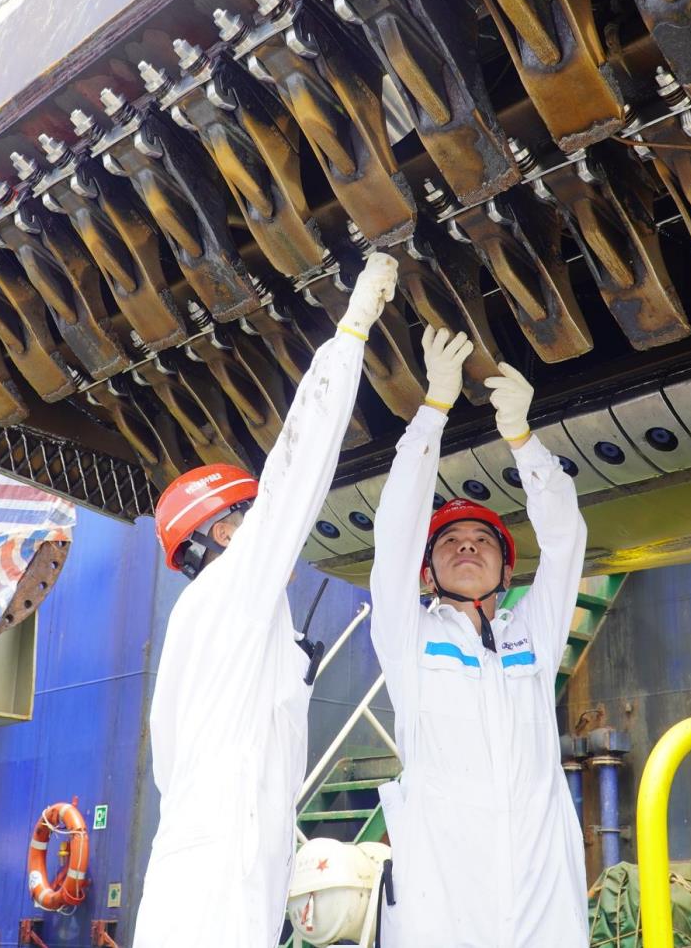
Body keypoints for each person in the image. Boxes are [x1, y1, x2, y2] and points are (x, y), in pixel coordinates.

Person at [131, 252, 399, 948]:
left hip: (224, 868)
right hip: (219, 879)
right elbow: (297, 468)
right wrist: (351, 334)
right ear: (224, 531)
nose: (273, 536)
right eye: (249, 518)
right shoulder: (230, 592)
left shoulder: (217, 623)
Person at [369, 325, 591, 948]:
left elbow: (566, 539)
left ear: (506, 571)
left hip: (541, 900)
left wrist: (523, 438)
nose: (467, 546)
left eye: (482, 540)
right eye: (449, 541)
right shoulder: (408, 638)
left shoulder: (533, 637)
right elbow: (395, 532)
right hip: (444, 904)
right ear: (427, 572)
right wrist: (433, 409)